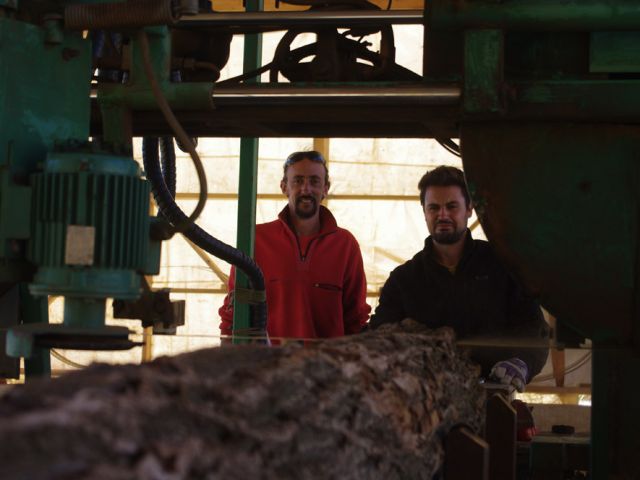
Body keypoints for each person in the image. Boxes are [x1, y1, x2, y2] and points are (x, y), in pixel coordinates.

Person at [369, 166, 549, 391]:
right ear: (424, 212)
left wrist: (523, 362)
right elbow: (378, 337)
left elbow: (533, 330)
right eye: (434, 207)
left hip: (492, 397)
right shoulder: (404, 280)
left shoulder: (503, 268)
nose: (442, 215)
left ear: (469, 209)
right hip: (424, 402)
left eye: (451, 206)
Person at [219, 150, 371, 340]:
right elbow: (234, 313)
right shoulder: (255, 240)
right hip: (268, 365)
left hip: (328, 366)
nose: (306, 189)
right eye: (298, 180)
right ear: (284, 187)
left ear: (325, 188)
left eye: (314, 181)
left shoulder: (345, 245)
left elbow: (355, 319)